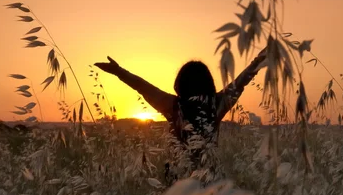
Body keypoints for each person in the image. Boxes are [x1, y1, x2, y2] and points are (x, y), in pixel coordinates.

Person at [94, 48, 267, 182]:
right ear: (208, 82)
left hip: (177, 177)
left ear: (180, 83)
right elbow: (241, 81)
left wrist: (118, 71)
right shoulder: (216, 104)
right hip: (210, 177)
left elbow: (142, 86)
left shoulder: (173, 106)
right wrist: (258, 61)